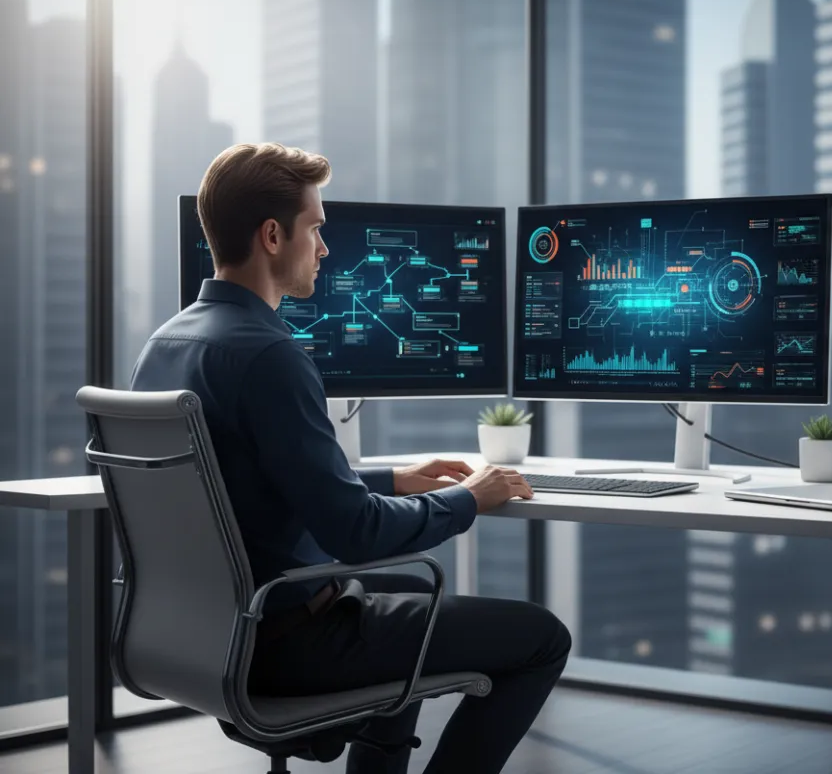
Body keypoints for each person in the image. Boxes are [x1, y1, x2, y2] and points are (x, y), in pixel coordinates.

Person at [130, 142, 571, 774]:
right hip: (284, 645)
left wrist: (390, 477)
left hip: (208, 636)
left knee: (400, 592)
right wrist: (468, 498)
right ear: (274, 235)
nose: (326, 248)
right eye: (317, 229)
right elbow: (356, 532)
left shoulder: (165, 344)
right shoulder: (270, 355)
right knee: (541, 638)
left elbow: (237, 477)